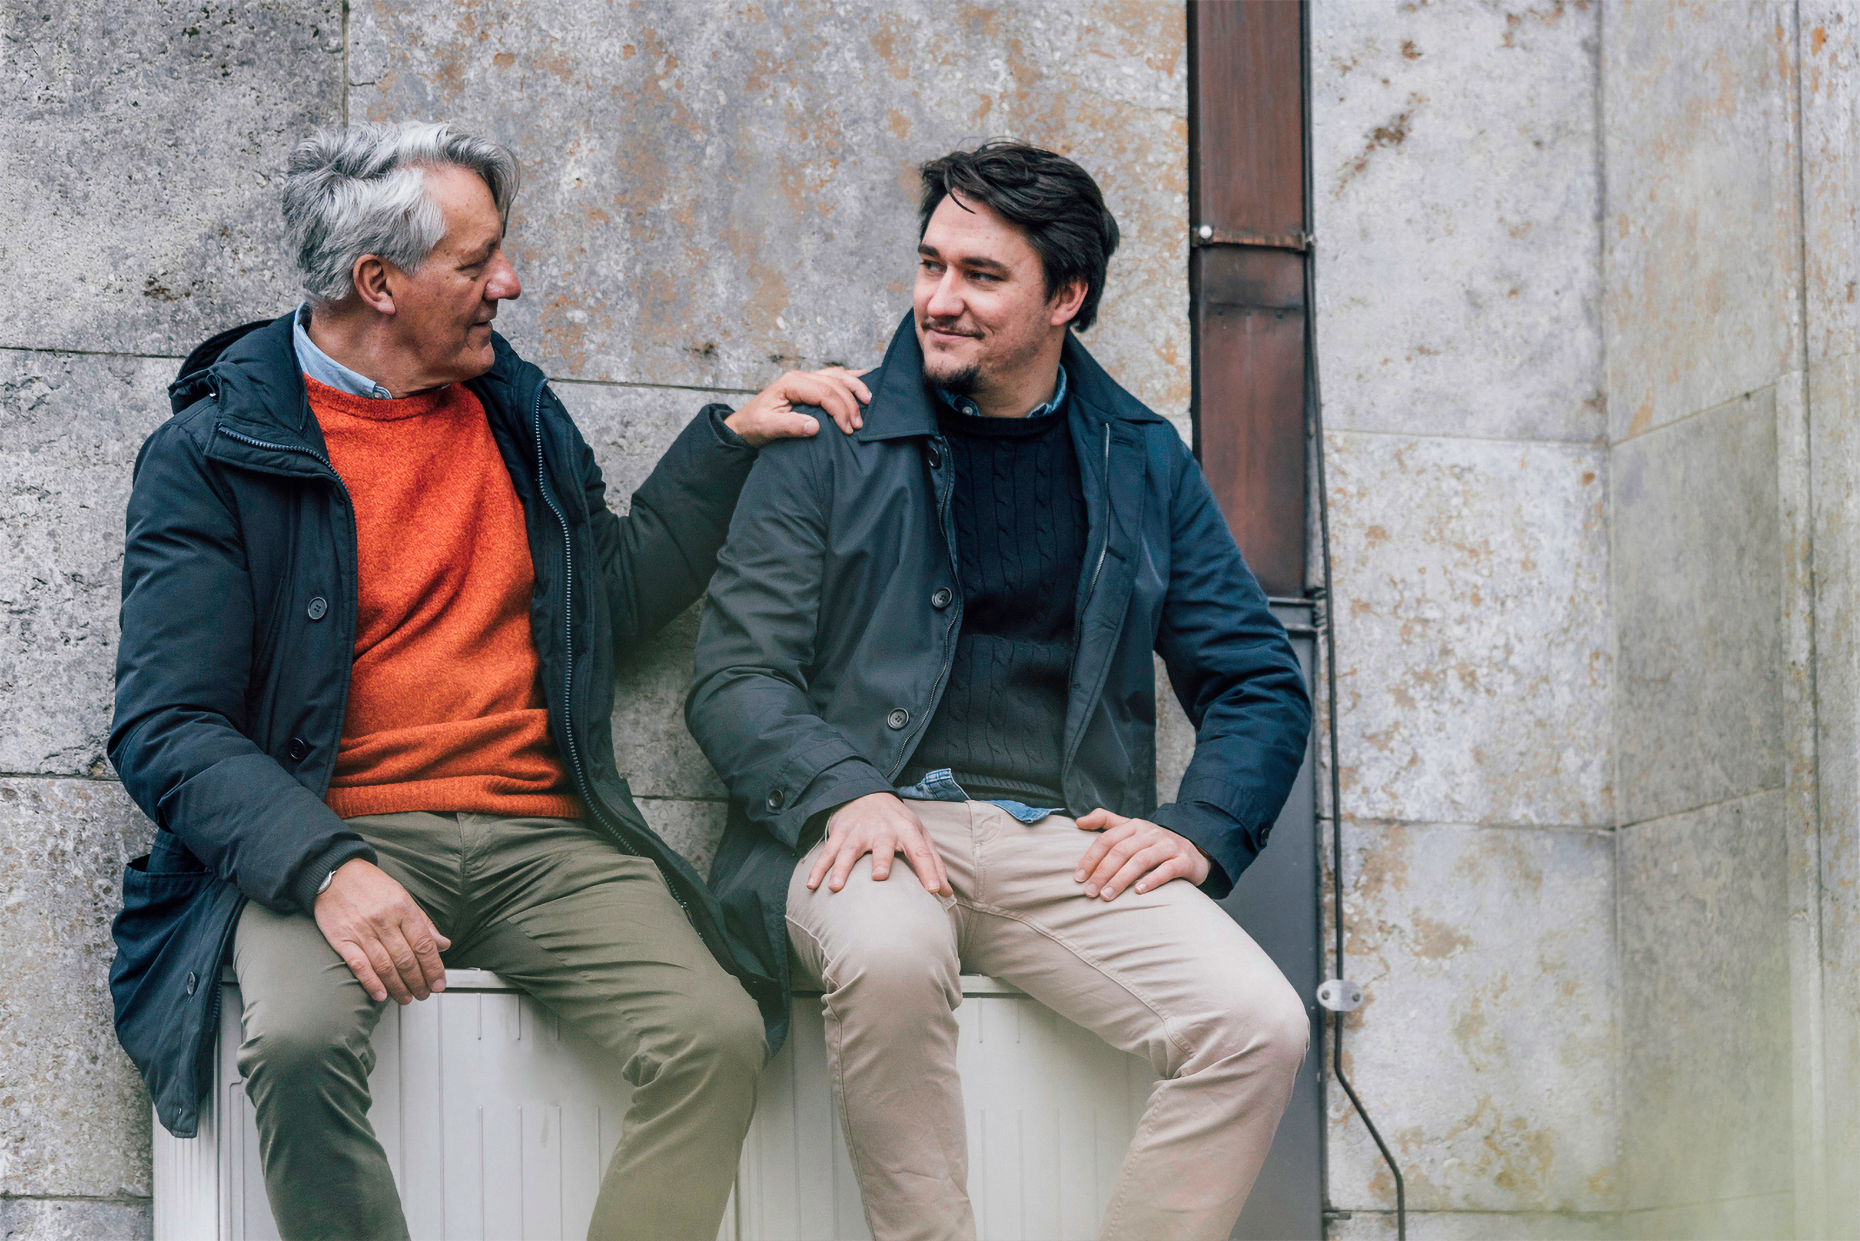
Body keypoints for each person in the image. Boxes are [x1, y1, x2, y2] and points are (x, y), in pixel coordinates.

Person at [107, 121, 869, 1241]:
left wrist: (729, 445)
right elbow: (167, 723)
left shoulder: (512, 410)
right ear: (379, 282)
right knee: (298, 1042)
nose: (507, 284)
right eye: (476, 263)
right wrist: (321, 864)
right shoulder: (217, 452)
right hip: (334, 835)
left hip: (542, 838)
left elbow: (601, 601)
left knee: (714, 1032)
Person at [687, 141, 1314, 1241]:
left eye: (981, 275)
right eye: (931, 264)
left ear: (1066, 296)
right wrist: (841, 789)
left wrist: (1203, 828)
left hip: (1059, 837)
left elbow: (1258, 676)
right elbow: (735, 676)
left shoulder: (1140, 456)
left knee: (1259, 1023)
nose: (939, 299)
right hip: (858, 823)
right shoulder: (832, 435)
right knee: (888, 952)